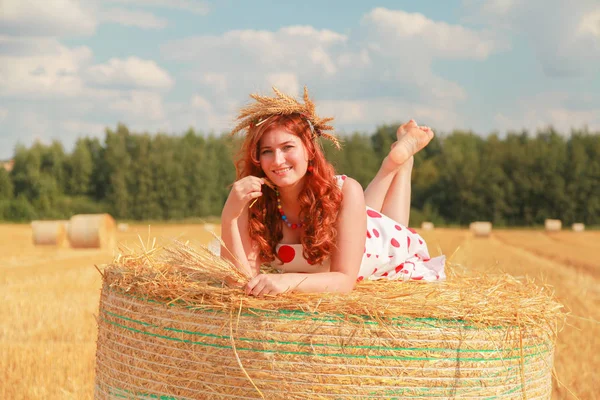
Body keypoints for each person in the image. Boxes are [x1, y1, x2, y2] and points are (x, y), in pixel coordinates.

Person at [221, 87, 445, 296]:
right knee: (362, 210)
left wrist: (286, 281)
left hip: (376, 246)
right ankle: (395, 163)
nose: (278, 161)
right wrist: (229, 217)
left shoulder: (345, 191)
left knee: (390, 225)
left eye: (288, 147)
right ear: (258, 158)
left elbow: (344, 282)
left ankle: (401, 165)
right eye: (267, 151)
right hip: (348, 215)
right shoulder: (254, 202)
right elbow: (240, 280)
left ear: (309, 149)